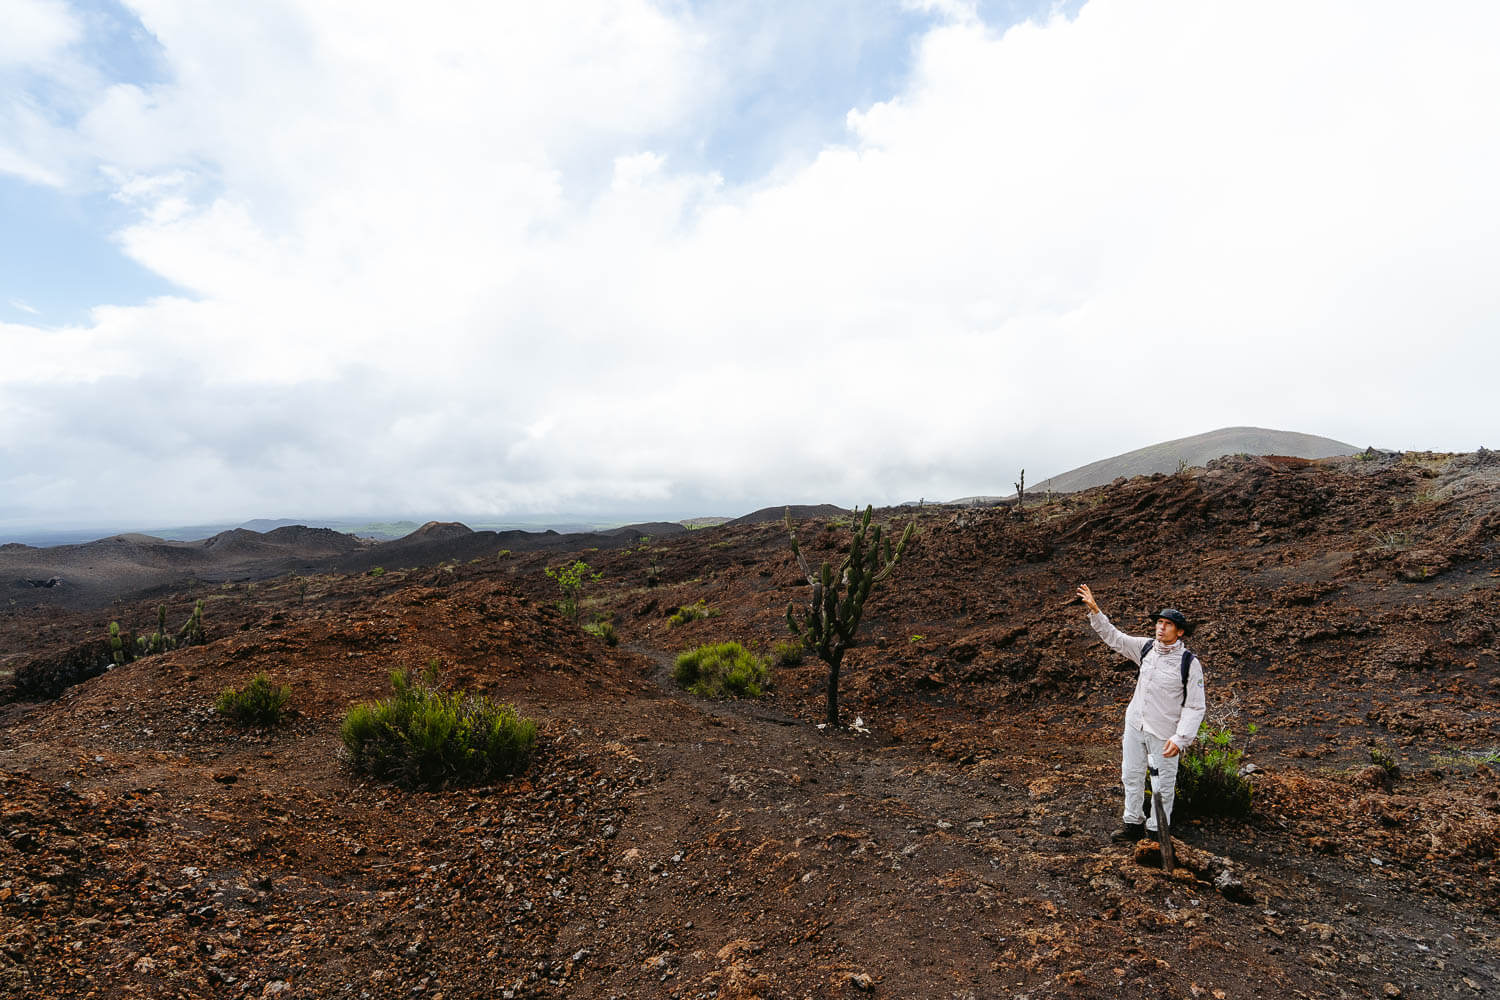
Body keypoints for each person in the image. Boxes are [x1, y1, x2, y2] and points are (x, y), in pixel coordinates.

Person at [1075, 584, 1207, 843]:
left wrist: (1181, 739)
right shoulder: (1146, 648)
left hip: (1164, 733)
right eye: (1159, 622)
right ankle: (1132, 823)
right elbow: (1115, 638)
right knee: (1131, 774)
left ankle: (1158, 832)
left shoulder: (1189, 663)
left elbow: (1195, 706)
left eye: (1167, 624)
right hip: (1135, 725)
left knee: (1163, 785)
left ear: (1179, 632)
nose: (1161, 627)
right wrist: (1095, 611)